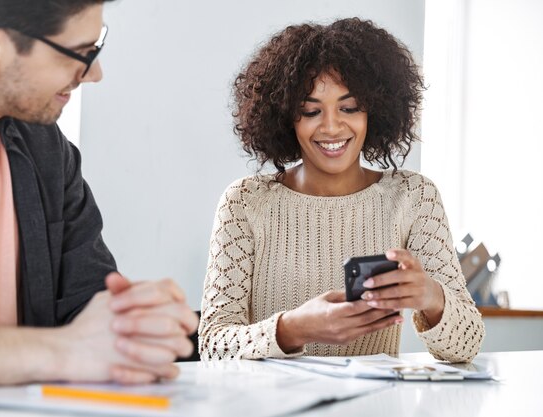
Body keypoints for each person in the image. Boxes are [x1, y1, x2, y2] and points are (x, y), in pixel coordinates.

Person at [0, 0, 198, 387]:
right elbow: (74, 346)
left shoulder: (47, 148)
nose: (95, 73)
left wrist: (133, 324)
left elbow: (86, 306)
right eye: (81, 54)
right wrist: (61, 351)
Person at [199, 18, 485, 363]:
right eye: (310, 111)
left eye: (349, 108)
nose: (332, 126)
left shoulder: (413, 197)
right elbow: (213, 345)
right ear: (287, 116)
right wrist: (294, 328)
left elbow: (466, 347)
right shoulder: (245, 202)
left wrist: (431, 297)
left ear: (375, 112)